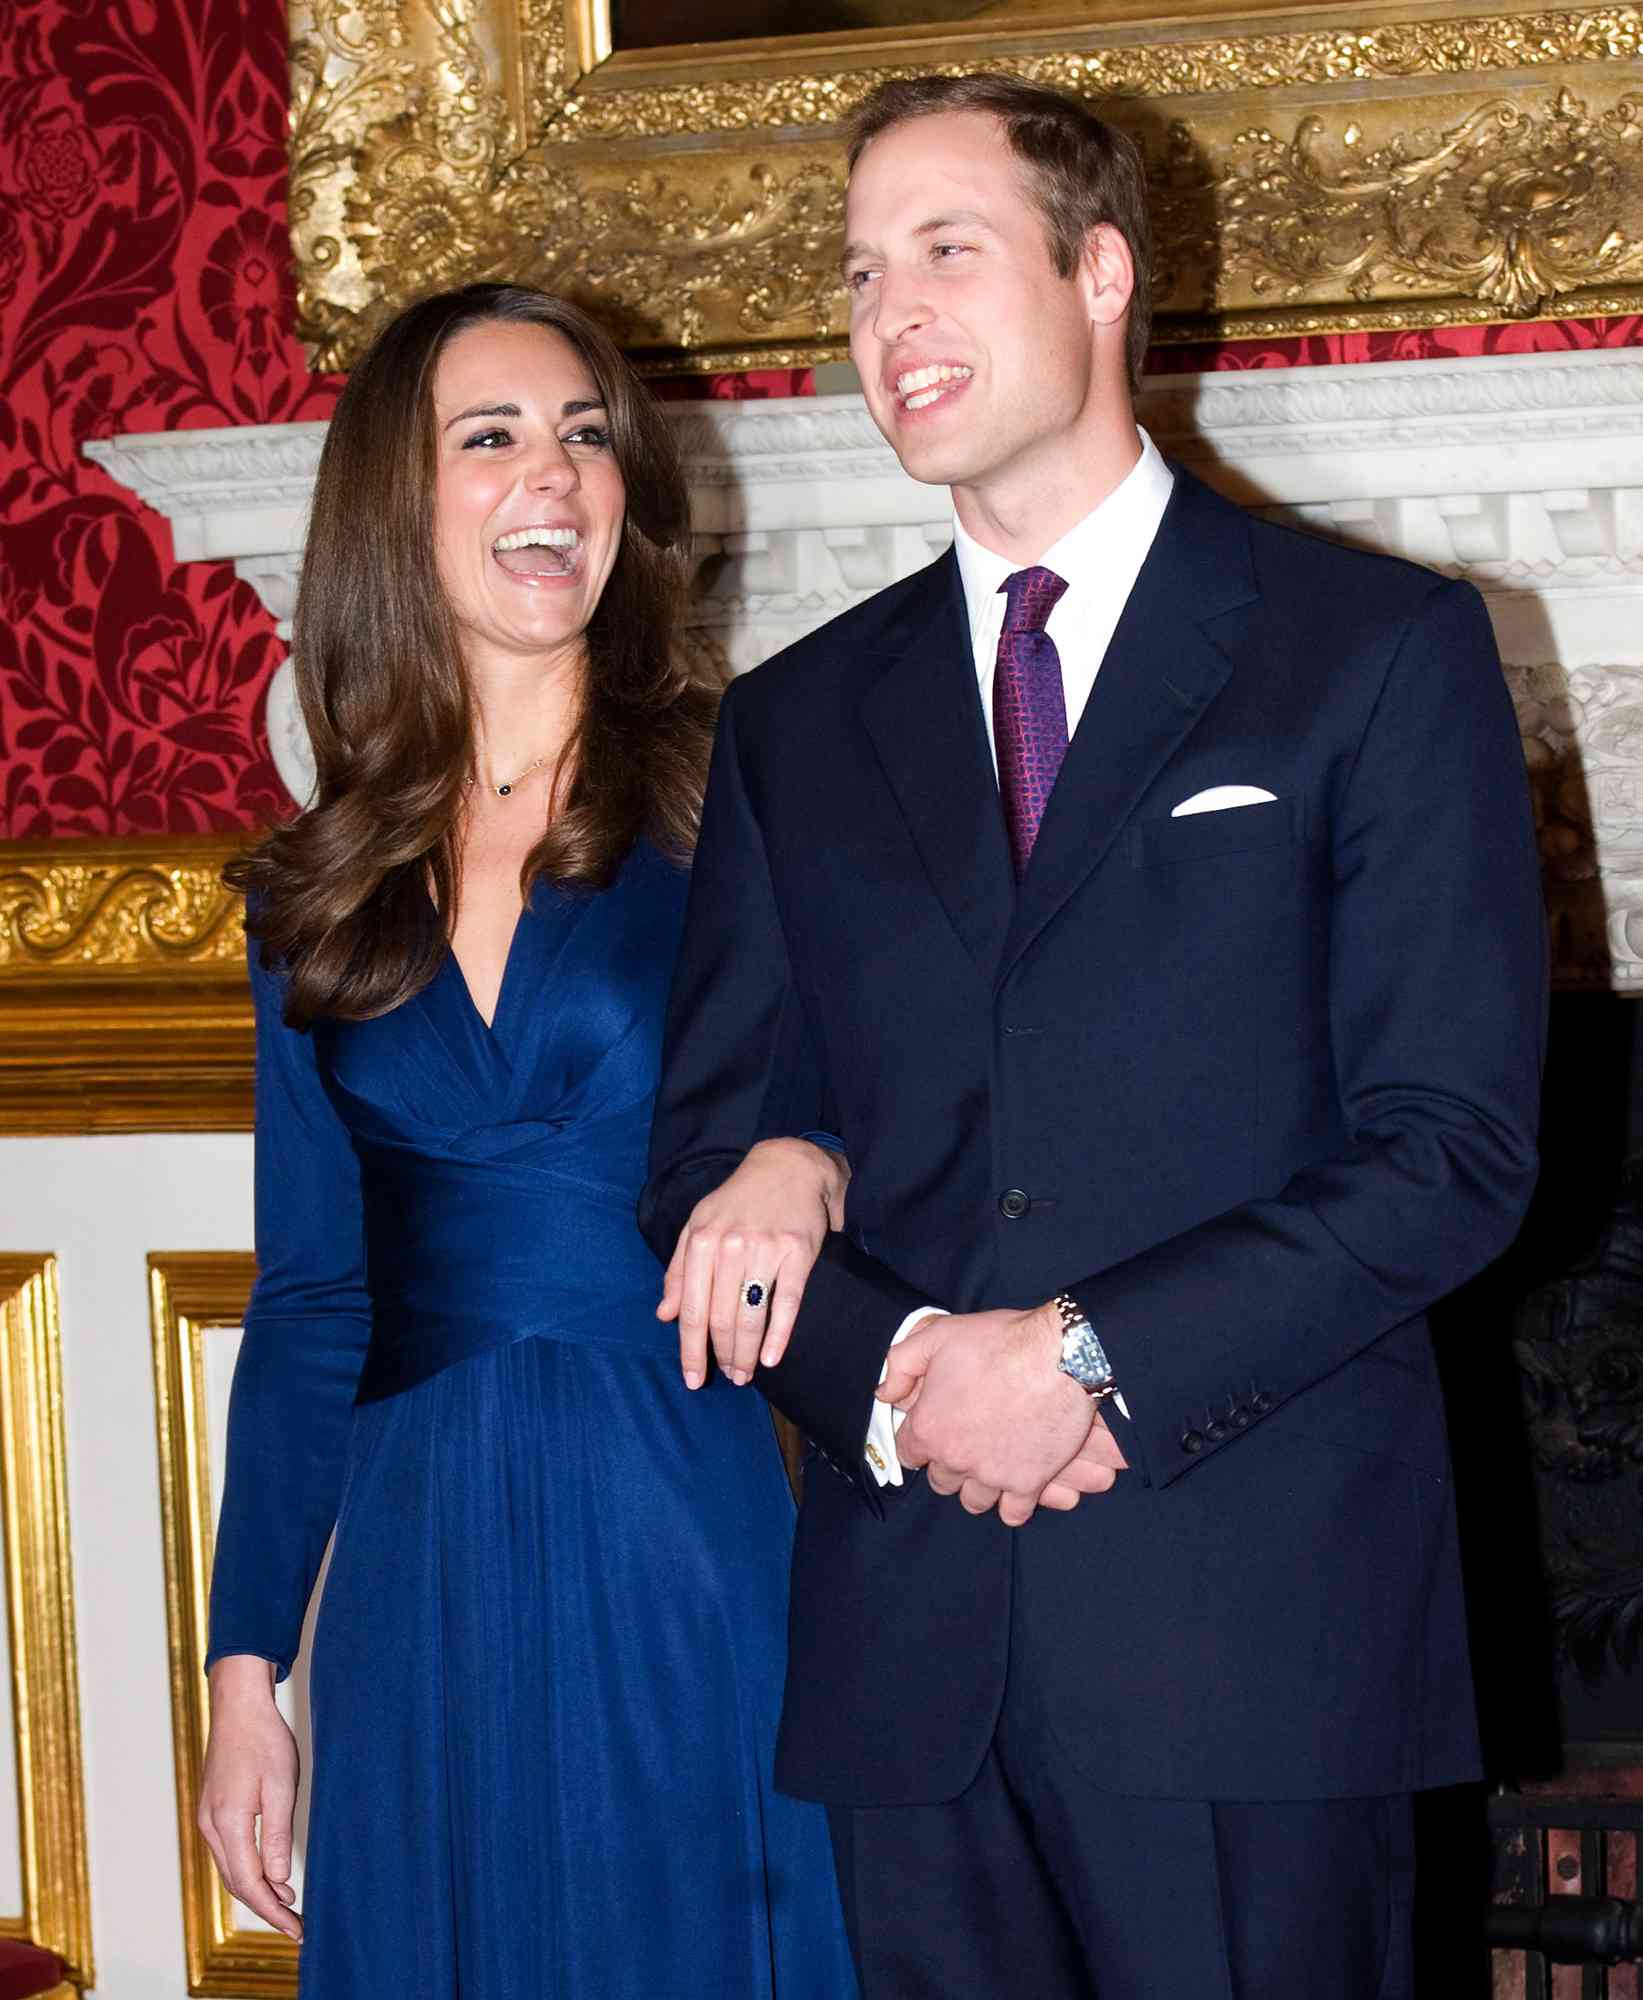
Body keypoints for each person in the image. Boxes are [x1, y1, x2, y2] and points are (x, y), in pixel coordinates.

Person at [640, 74, 1547, 1999]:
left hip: (1258, 1651)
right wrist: (903, 1378)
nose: (890, 319)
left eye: (946, 253)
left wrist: (1089, 1362)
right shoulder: (795, 725)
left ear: (1104, 270)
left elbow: (1451, 1150)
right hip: (918, 1677)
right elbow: (711, 1171)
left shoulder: (1378, 653)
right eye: (863, 273)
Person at [199, 282, 859, 2000]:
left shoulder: (749, 792)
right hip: (418, 1567)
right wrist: (242, 1673)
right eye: (487, 438)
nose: (549, 476)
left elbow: (905, 1102)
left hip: (688, 1504)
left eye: (583, 436)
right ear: (392, 509)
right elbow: (313, 1298)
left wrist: (810, 1160)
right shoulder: (312, 890)